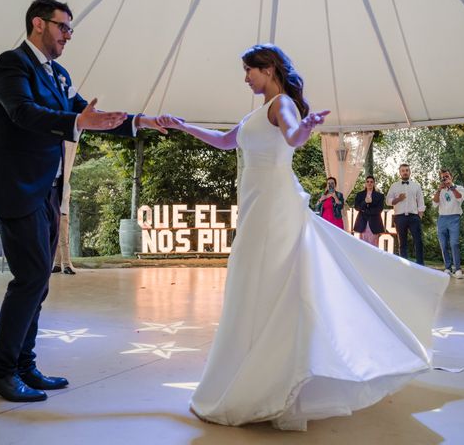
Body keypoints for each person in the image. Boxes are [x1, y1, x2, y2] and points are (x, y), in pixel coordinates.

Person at [158, 43, 448, 431]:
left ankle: (272, 383)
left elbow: (293, 137)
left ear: (270, 69)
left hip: (275, 206)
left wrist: (307, 130)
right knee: (253, 286)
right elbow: (226, 140)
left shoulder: (282, 106)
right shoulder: (256, 113)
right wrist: (182, 126)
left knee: (272, 285)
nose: (245, 78)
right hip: (258, 206)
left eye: (250, 70)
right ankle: (253, 375)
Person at [0, 0, 169, 403]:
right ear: (38, 24)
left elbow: (89, 115)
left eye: (70, 28)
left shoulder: (59, 74)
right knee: (30, 279)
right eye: (63, 26)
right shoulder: (11, 64)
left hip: (47, 190)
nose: (68, 35)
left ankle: (23, 365)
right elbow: (22, 113)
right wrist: (75, 121)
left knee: (39, 283)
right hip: (17, 189)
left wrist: (140, 122)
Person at [386, 164, 426, 265]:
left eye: (407, 170)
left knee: (418, 241)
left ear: (410, 172)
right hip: (400, 217)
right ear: (400, 173)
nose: (405, 172)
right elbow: (388, 201)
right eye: (403, 170)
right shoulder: (394, 186)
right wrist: (398, 199)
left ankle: (420, 264)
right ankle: (404, 265)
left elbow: (421, 202)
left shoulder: (416, 186)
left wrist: (419, 216)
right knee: (402, 243)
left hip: (414, 217)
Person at [431, 169, 464, 278]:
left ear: (451, 177)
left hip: (454, 217)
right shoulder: (440, 190)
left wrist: (451, 187)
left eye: (447, 176)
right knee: (444, 244)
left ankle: (458, 269)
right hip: (442, 218)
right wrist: (438, 190)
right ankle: (447, 268)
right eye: (443, 177)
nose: (445, 179)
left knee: (454, 243)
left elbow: (460, 198)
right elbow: (434, 204)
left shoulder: (459, 188)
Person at [52, 139, 79, 275]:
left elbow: (62, 198)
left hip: (62, 213)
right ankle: (57, 264)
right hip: (53, 213)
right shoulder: (50, 184)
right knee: (55, 240)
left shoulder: (65, 185)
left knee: (63, 240)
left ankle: (67, 265)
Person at [353, 175, 385, 246]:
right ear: (365, 183)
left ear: (374, 184)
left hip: (374, 223)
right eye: (367, 182)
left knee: (374, 246)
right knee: (362, 245)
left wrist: (366, 211)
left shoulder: (379, 195)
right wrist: (365, 202)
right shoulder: (360, 194)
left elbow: (379, 209)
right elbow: (356, 207)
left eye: (371, 182)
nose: (369, 183)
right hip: (362, 223)